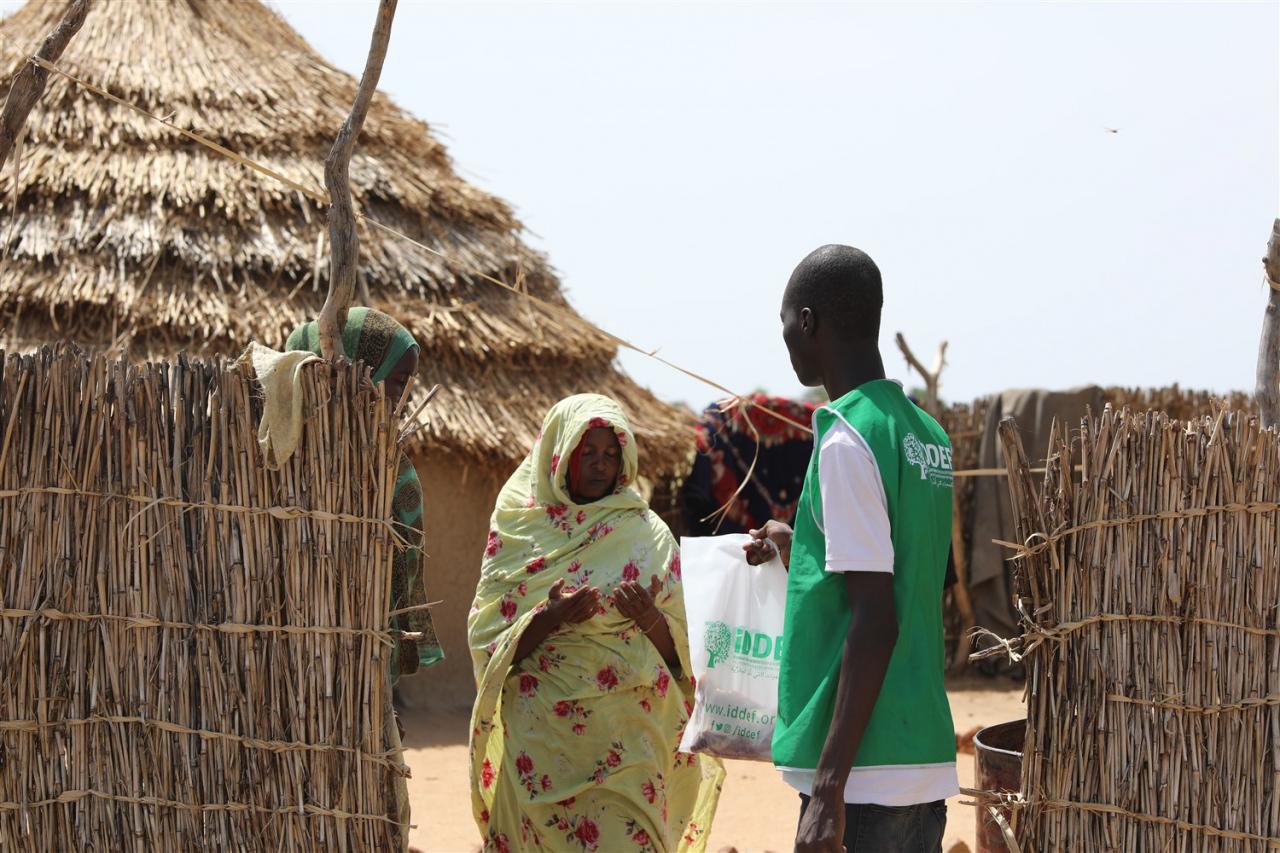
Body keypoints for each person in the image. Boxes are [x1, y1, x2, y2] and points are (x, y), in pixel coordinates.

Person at [744, 245, 957, 852]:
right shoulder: (925, 433)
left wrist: (829, 789)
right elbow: (917, 577)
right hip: (920, 756)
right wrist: (801, 546)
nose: (786, 341)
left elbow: (876, 618)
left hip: (863, 776)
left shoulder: (846, 437)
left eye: (786, 324)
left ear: (807, 321)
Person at [468, 394, 722, 853]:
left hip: (629, 742)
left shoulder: (647, 534)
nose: (600, 465)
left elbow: (684, 658)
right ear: (562, 453)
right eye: (588, 452)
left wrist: (650, 619)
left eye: (610, 454)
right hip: (542, 741)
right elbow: (489, 644)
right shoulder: (520, 529)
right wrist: (548, 617)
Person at [285, 307, 442, 851]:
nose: (400, 399)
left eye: (407, 387)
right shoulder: (269, 445)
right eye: (395, 383)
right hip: (277, 670)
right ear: (356, 369)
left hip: (355, 674)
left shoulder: (389, 467)